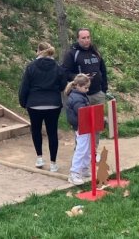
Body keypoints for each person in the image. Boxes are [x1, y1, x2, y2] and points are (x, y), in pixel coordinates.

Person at [18, 42, 65, 172]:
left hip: (34, 104)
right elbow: (62, 85)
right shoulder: (57, 67)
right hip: (53, 104)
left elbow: (24, 87)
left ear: (38, 51)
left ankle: (39, 157)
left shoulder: (31, 67)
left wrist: (23, 102)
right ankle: (53, 163)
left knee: (36, 130)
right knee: (52, 132)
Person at [62, 28, 109, 107]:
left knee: (99, 119)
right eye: (83, 38)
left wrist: (104, 89)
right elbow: (65, 72)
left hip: (98, 93)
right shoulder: (72, 54)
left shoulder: (95, 51)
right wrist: (79, 77)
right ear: (78, 39)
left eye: (88, 37)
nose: (86, 40)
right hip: (81, 95)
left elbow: (103, 70)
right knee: (84, 119)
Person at [65, 73, 92, 186]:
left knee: (87, 147)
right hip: (81, 126)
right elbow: (82, 112)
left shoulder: (79, 95)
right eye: (86, 88)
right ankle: (74, 173)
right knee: (81, 149)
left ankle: (84, 169)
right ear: (78, 86)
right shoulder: (77, 99)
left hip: (84, 125)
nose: (87, 90)